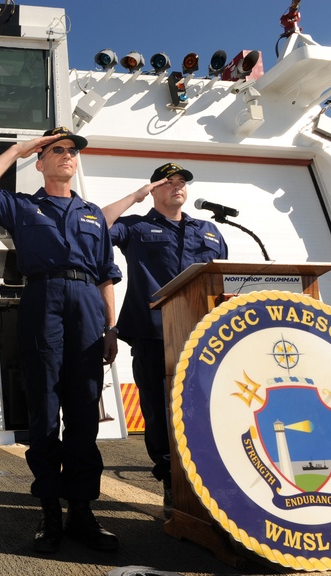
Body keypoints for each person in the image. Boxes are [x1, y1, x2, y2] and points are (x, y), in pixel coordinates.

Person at [0, 127, 122, 555]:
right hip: (42, 297)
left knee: (85, 411)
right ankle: (49, 510)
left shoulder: (92, 214)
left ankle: (83, 512)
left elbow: (106, 274)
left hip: (88, 303)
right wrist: (17, 149)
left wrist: (111, 328)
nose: (68, 156)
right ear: (41, 161)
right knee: (45, 410)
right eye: (58, 150)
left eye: (72, 151)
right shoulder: (22, 206)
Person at [100, 162, 228, 516]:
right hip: (153, 335)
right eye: (167, 182)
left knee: (207, 408)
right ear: (154, 190)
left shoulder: (211, 231)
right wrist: (136, 196)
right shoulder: (136, 226)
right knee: (159, 411)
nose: (177, 186)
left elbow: (224, 280)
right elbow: (98, 225)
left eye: (182, 182)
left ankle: (212, 482)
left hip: (205, 337)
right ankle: (172, 483)